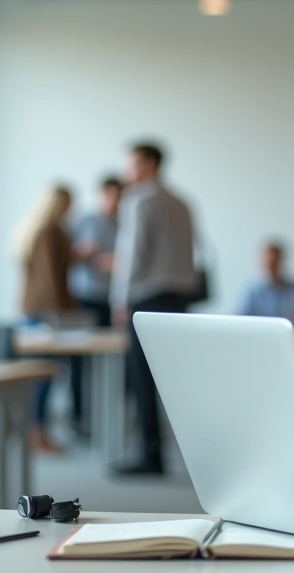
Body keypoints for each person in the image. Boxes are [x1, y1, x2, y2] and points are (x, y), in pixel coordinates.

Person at [110, 142, 196, 475]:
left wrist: (120, 299)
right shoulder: (182, 202)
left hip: (147, 298)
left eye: (131, 163)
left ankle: (151, 454)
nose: (126, 170)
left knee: (143, 379)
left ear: (148, 164)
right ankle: (195, 454)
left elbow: (132, 254)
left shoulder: (138, 200)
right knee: (176, 379)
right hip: (180, 298)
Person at [14, 184, 75, 453]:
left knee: (41, 373)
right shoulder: (48, 231)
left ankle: (36, 431)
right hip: (46, 311)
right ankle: (36, 433)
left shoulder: (34, 228)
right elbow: (49, 276)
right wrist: (59, 312)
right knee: (44, 374)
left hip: (35, 309)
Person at [66, 177, 122, 432]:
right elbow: (66, 256)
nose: (113, 202)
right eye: (109, 195)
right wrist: (85, 254)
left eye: (118, 197)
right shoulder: (85, 222)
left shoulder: (124, 224)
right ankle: (78, 417)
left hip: (110, 299)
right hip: (84, 298)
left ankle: (106, 418)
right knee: (80, 361)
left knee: (110, 361)